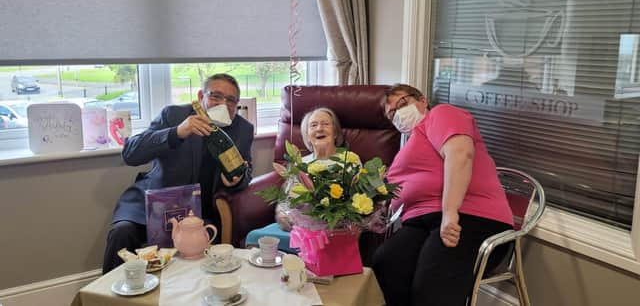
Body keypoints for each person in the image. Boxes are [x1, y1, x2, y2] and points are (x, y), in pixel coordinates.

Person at [373, 84, 514, 306]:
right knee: (386, 263)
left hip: (469, 216)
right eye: (392, 114)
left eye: (402, 104)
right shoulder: (410, 144)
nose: (398, 113)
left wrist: (450, 211)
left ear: (422, 100)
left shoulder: (441, 114)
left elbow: (460, 154)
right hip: (421, 222)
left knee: (432, 287)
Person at [102, 73, 254, 273]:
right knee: (122, 233)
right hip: (150, 205)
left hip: (199, 213)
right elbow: (130, 153)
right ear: (201, 96)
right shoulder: (173, 115)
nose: (223, 104)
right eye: (216, 96)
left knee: (207, 247)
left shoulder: (243, 129)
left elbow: (245, 173)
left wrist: (232, 180)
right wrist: (176, 132)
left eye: (231, 100)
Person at [245, 107, 360, 251]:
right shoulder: (300, 163)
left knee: (315, 248)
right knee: (255, 237)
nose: (319, 129)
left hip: (329, 230)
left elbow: (358, 199)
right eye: (313, 125)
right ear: (307, 135)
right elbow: (284, 199)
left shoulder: (349, 160)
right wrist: (281, 214)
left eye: (325, 124)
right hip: (295, 229)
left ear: (335, 132)